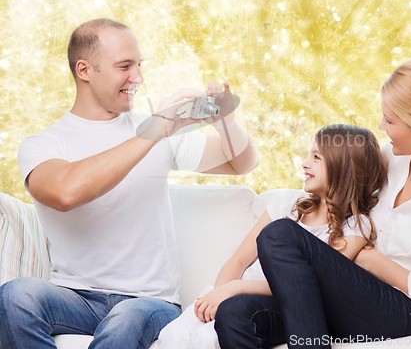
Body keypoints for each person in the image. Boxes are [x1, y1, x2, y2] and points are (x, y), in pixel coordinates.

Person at [0, 18, 259, 349]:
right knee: (15, 295)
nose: (138, 78)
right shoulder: (43, 145)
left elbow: (241, 162)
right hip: (76, 298)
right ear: (84, 70)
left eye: (139, 65)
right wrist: (156, 129)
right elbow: (66, 193)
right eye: (125, 66)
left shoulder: (157, 130)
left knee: (125, 321)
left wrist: (228, 123)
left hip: (149, 304)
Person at [215, 57, 411, 349]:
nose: (381, 126)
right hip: (352, 293)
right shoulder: (393, 159)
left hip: (410, 313)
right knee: (234, 314)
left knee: (280, 235)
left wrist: (373, 261)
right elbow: (343, 183)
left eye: (390, 121)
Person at [156, 123, 388, 349]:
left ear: (343, 167)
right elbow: (238, 261)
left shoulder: (356, 227)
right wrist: (220, 294)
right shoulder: (288, 204)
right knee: (182, 335)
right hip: (234, 293)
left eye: (316, 158)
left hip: (277, 306)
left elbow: (305, 287)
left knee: (218, 331)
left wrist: (235, 289)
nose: (305, 164)